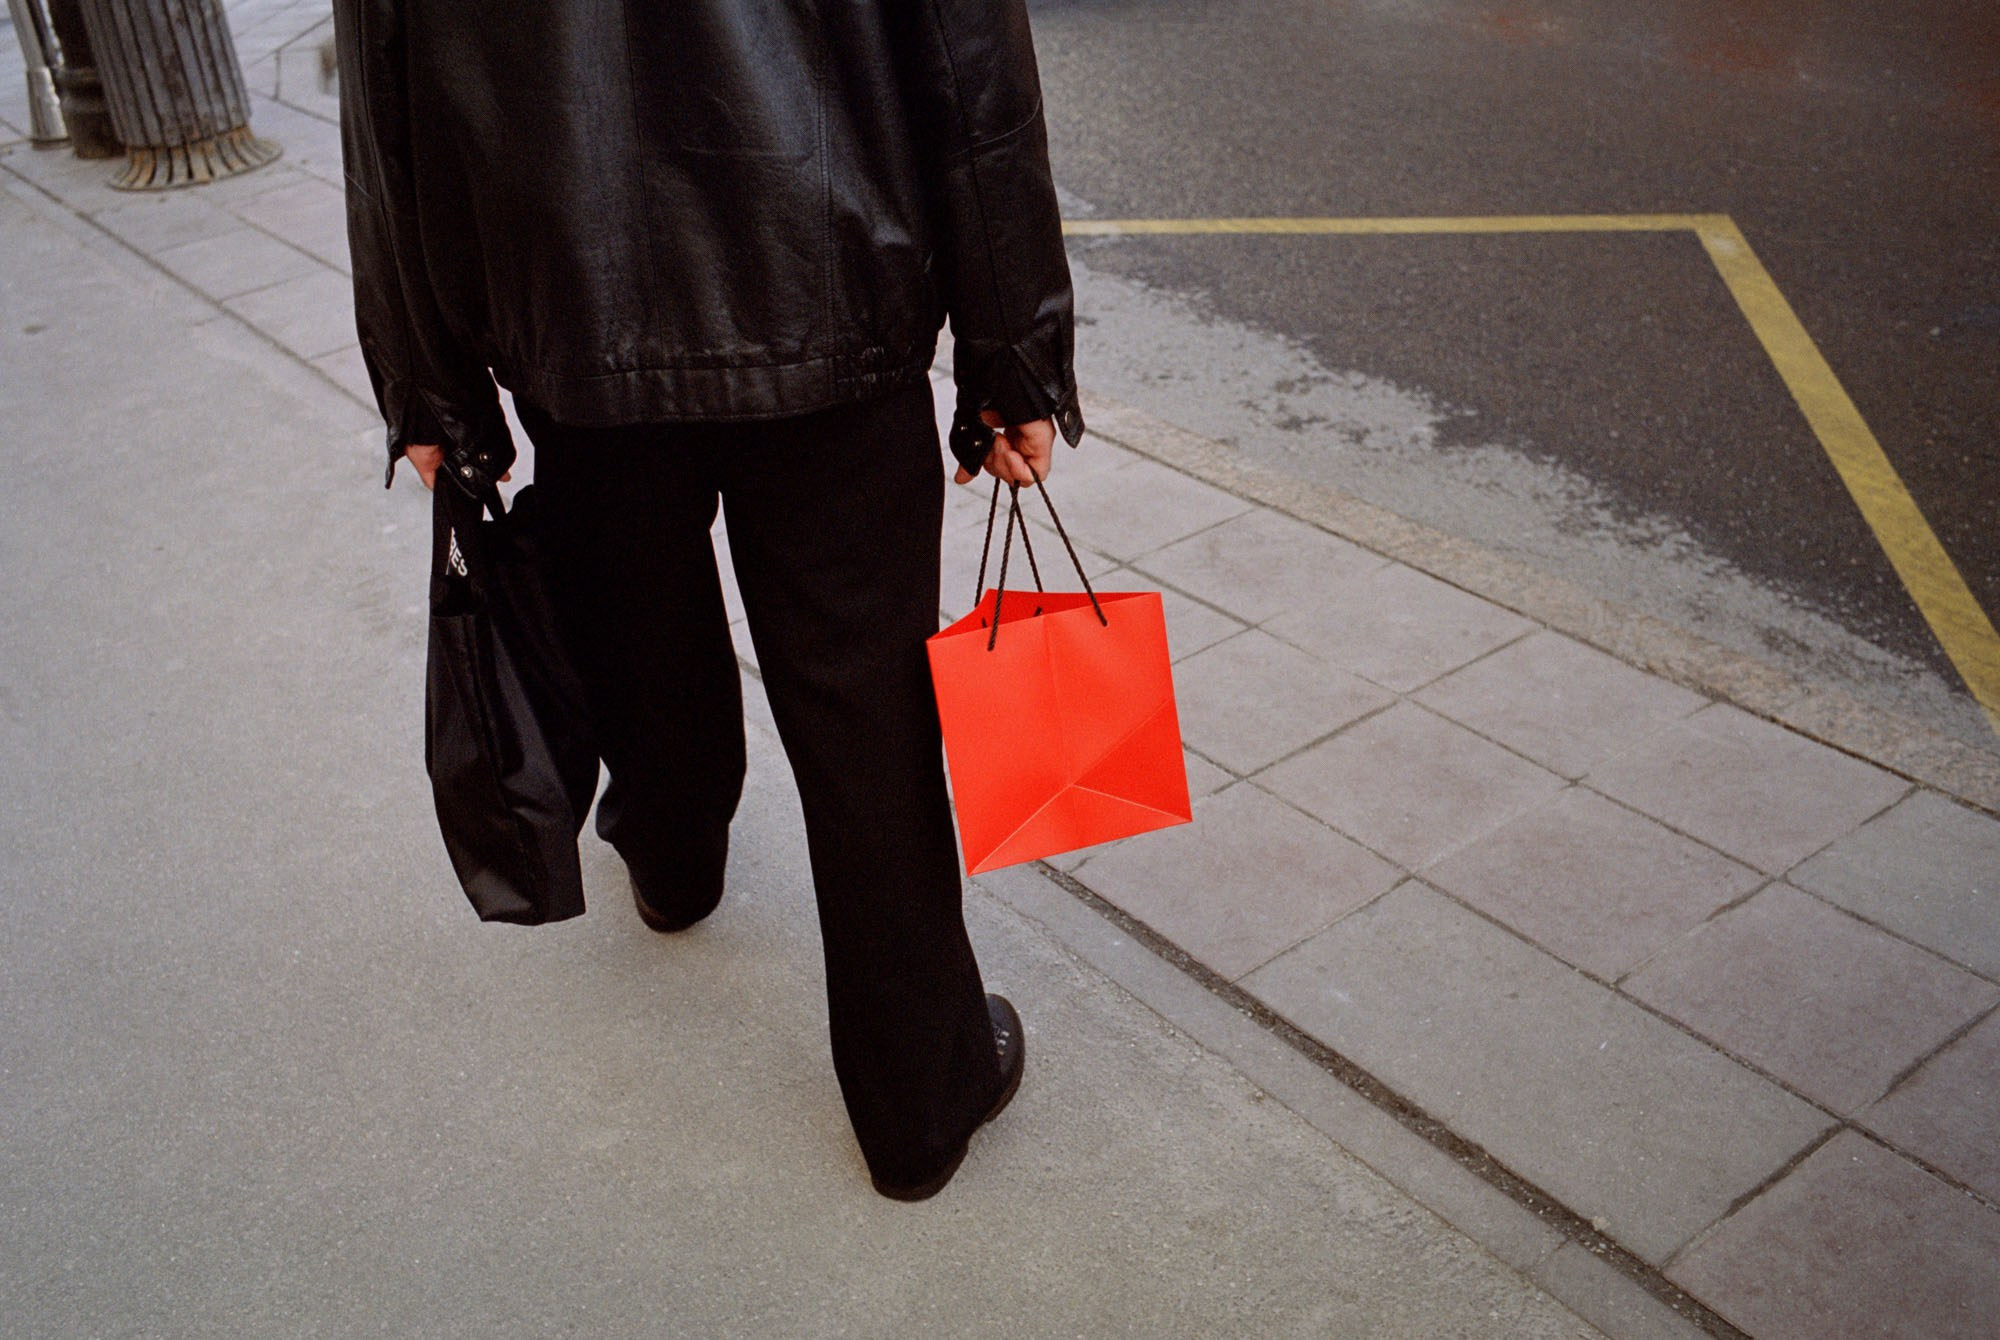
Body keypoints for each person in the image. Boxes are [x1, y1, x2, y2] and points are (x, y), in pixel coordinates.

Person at [333, 0, 1083, 1199]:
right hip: (830, 288)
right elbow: (966, 55)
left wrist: (428, 382)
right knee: (866, 717)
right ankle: (918, 1101)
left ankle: (674, 864)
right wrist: (1013, 347)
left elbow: (383, 76)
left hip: (575, 292)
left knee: (634, 616)